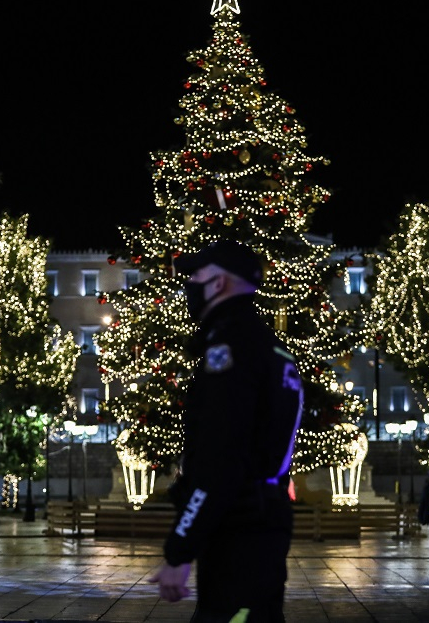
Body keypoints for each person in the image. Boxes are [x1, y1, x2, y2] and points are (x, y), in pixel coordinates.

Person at [149, 240, 304, 620]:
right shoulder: (271, 347)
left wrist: (179, 550)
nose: (190, 284)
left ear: (218, 284)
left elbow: (220, 460)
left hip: (240, 532)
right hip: (261, 523)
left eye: (196, 275)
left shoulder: (231, 350)